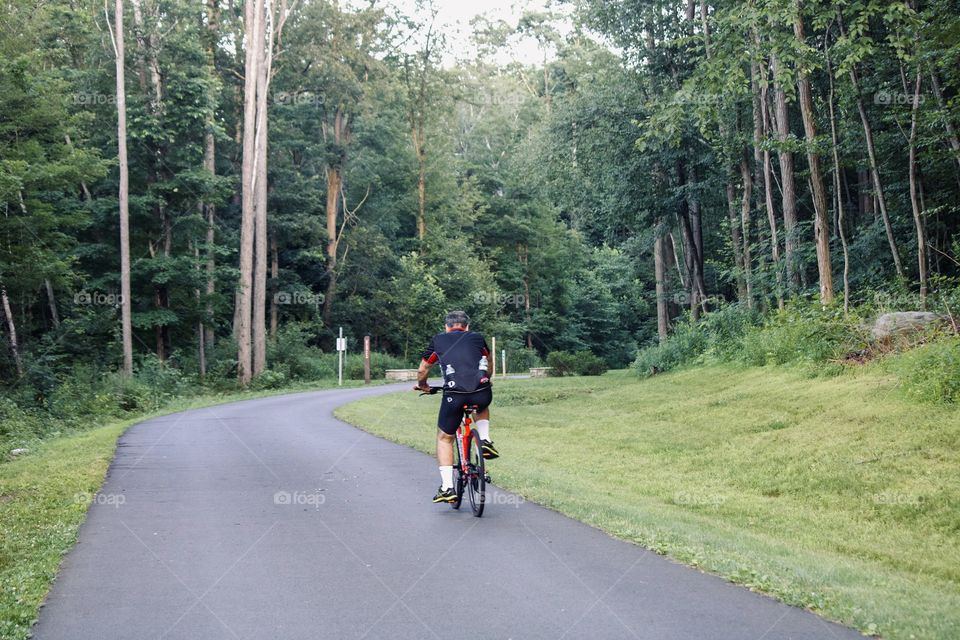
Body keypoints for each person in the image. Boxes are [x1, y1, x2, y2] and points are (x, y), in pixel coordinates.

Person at [415, 310, 499, 503]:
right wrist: (487, 379)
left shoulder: (438, 340)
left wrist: (423, 385)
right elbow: (489, 361)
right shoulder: (477, 338)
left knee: (445, 438)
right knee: (481, 403)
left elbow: (423, 369)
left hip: (455, 395)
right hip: (482, 390)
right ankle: (485, 440)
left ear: (446, 327)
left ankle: (447, 488)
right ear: (467, 327)